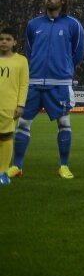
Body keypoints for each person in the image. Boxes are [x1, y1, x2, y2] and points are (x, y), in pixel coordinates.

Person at [9, 0, 84, 179]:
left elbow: (78, 53)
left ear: (63, 0)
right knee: (23, 123)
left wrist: (62, 68)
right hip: (33, 82)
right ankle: (17, 166)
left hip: (59, 83)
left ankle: (64, 165)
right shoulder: (33, 24)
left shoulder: (73, 25)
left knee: (64, 123)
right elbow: (30, 49)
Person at [0, 26, 29, 186]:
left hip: (8, 106)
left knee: (5, 137)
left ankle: (3, 172)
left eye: (8, 39)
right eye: (1, 39)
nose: (4, 42)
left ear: (14, 42)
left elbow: (24, 85)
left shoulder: (21, 61)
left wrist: (20, 105)